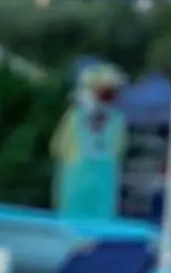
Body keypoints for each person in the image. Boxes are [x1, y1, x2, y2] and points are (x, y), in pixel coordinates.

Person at [51, 62, 128, 222]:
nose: (108, 100)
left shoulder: (117, 122)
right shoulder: (74, 119)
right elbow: (57, 148)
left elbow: (120, 151)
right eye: (104, 94)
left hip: (103, 200)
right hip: (74, 198)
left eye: (112, 95)